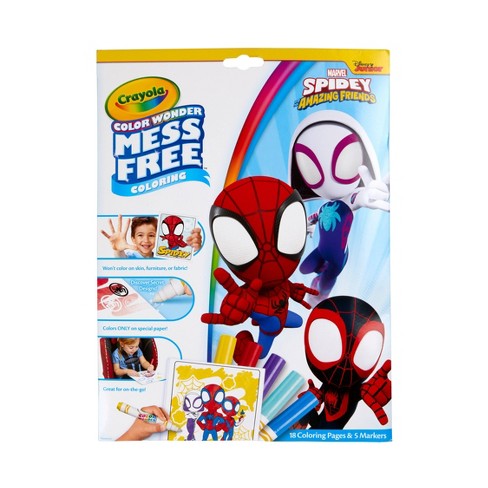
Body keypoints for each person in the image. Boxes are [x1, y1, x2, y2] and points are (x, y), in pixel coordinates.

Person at [101, 215, 202, 258]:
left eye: (151, 235)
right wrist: (117, 250)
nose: (146, 240)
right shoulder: (129, 257)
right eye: (140, 235)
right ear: (133, 239)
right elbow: (120, 259)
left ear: (158, 237)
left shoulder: (164, 256)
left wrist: (195, 248)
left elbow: (186, 260)